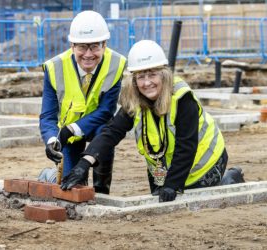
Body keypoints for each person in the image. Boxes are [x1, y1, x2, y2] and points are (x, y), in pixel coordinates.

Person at [60, 40, 244, 202]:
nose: (147, 83)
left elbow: (186, 146)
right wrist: (84, 164)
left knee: (190, 200)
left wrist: (173, 184)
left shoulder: (182, 98)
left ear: (163, 74)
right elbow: (111, 132)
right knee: (161, 200)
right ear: (134, 80)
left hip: (206, 163)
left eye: (152, 74)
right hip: (163, 167)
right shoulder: (135, 99)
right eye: (141, 76)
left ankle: (229, 179)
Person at [39, 11, 126, 194]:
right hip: (67, 135)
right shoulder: (55, 68)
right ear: (72, 46)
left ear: (104, 45)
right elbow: (47, 115)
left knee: (105, 134)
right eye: (82, 47)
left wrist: (73, 128)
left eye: (94, 47)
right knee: (70, 185)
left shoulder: (115, 64)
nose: (88, 54)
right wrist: (52, 140)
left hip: (95, 128)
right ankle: (50, 175)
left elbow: (106, 111)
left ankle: (102, 190)